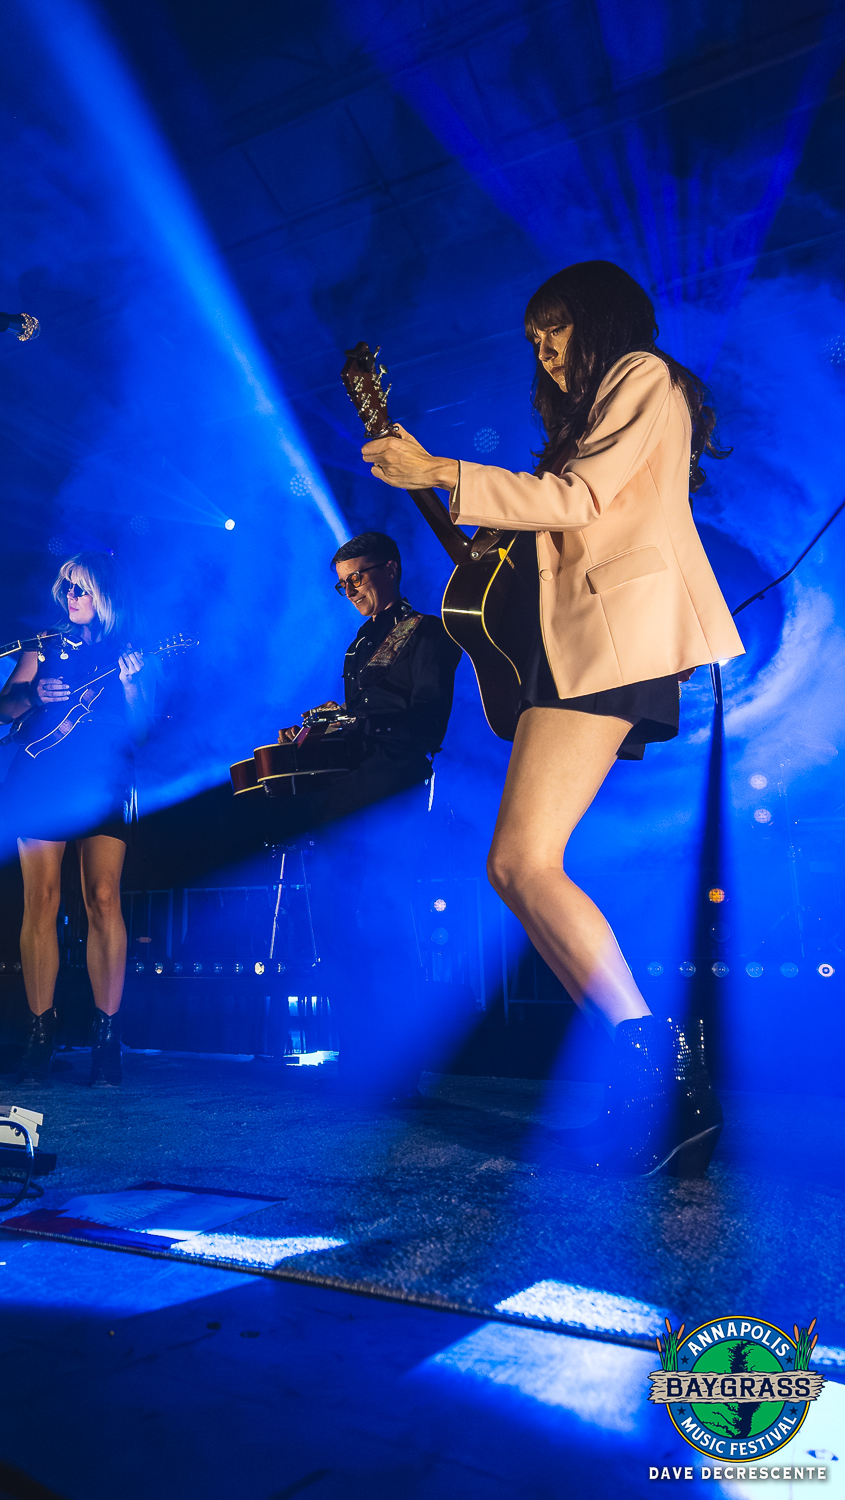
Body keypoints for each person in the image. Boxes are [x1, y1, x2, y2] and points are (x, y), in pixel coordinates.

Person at [362, 259, 745, 1175]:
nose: (545, 348)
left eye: (557, 326)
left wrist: (443, 469)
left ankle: (665, 1077)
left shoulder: (645, 377)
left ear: (602, 317)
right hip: (579, 652)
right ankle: (652, 1077)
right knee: (515, 865)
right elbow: (541, 541)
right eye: (534, 339)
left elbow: (579, 504)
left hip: (614, 644)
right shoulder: (589, 415)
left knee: (523, 862)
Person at [279, 530, 461, 1097]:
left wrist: (357, 723)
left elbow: (429, 722)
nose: (349, 589)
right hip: (347, 791)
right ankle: (357, 1051)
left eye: (356, 577)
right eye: (342, 584)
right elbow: (362, 713)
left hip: (397, 787)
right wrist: (324, 726)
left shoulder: (427, 632)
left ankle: (400, 1064)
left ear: (391, 568)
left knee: (389, 917)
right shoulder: (358, 644)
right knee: (336, 918)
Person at [0, 552, 154, 1087]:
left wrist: (132, 686)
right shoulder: (44, 644)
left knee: (103, 899)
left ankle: (108, 1037)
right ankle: (42, 1032)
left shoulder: (129, 648)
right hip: (43, 772)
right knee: (40, 900)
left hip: (105, 776)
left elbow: (146, 729)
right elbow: (0, 709)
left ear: (105, 594)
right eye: (65, 590)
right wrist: (32, 694)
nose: (70, 599)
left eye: (81, 590)